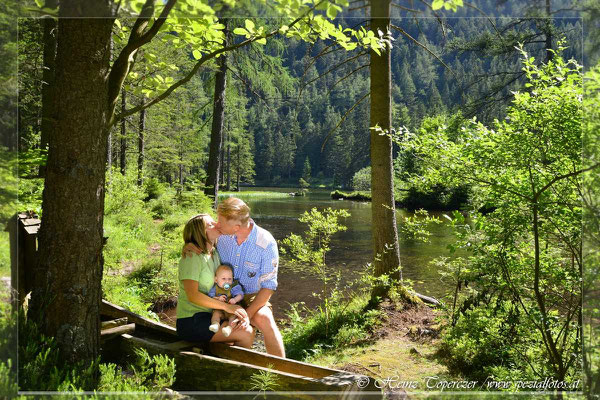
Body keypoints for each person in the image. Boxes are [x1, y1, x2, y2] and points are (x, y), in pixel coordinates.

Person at [215, 197, 285, 357]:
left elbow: (269, 286)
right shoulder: (221, 234)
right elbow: (198, 236)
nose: (217, 224)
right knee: (227, 327)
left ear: (236, 227)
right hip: (224, 291)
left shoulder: (266, 243)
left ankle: (281, 371)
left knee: (265, 320)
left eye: (221, 221)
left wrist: (248, 314)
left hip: (254, 295)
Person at [176, 213, 254, 348]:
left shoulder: (214, 253)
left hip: (212, 314)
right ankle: (238, 368)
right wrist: (227, 307)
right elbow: (192, 295)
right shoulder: (191, 256)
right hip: (192, 320)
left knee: (243, 327)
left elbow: (241, 228)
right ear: (199, 232)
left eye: (215, 222)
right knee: (246, 333)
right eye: (210, 224)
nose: (216, 225)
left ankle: (228, 364)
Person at [207, 264, 244, 337]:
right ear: (216, 280)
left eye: (229, 279)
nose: (227, 281)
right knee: (216, 314)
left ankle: (229, 328)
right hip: (220, 309)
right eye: (223, 279)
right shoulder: (215, 288)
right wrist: (218, 298)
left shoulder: (233, 287)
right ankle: (215, 324)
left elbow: (240, 295)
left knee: (233, 318)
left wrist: (235, 299)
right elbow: (210, 297)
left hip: (231, 309)